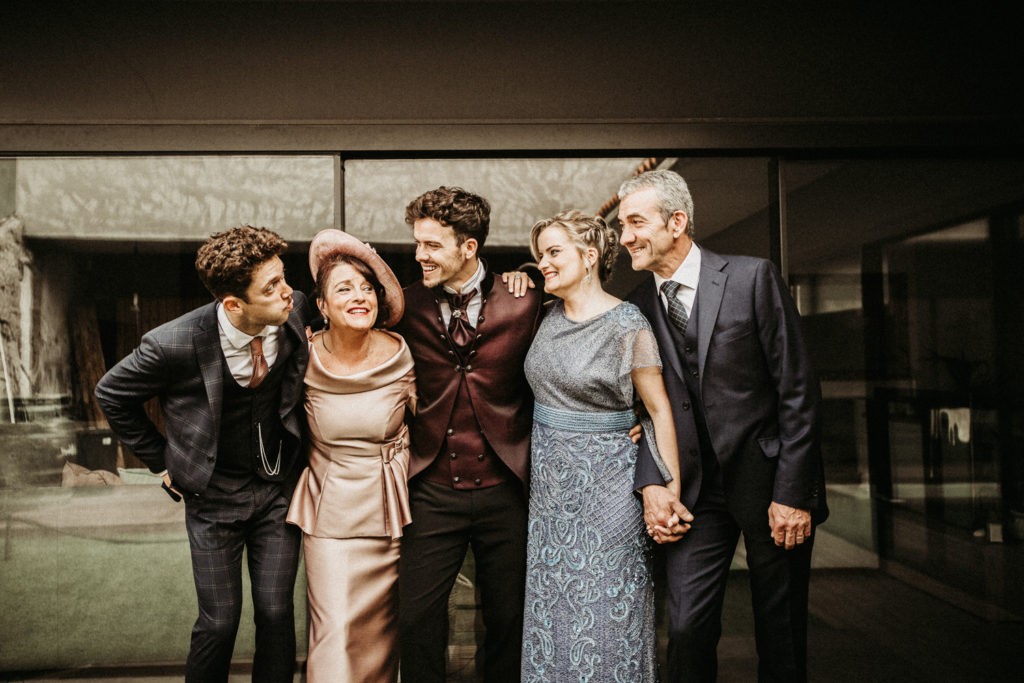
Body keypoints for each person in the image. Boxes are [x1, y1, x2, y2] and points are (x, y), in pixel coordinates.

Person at [619, 169, 828, 682]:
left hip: (770, 485)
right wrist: (654, 483)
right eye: (622, 225)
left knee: (780, 633)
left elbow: (797, 391)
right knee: (687, 630)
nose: (625, 237)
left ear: (677, 221)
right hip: (694, 494)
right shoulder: (636, 309)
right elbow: (640, 414)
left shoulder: (752, 278)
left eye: (636, 223)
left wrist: (793, 493)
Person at [94, 225, 308, 683]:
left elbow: (366, 307)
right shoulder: (172, 343)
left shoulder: (295, 312)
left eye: (283, 277)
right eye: (271, 286)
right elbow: (111, 393)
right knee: (219, 621)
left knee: (275, 613)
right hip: (212, 500)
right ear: (233, 304)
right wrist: (163, 461)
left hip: (276, 492)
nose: (288, 292)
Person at [520, 210, 681, 682]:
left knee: (610, 613)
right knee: (554, 618)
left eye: (553, 252)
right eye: (539, 255)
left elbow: (660, 410)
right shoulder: (545, 317)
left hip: (608, 494)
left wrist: (667, 490)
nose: (543, 264)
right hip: (550, 499)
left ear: (589, 256)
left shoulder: (627, 323)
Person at [394, 186, 542, 683]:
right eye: (418, 243)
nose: (420, 255)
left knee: (507, 620)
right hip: (432, 487)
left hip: (507, 488)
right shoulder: (403, 304)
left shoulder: (526, 300)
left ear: (469, 247)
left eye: (432, 245)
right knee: (416, 620)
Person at [286, 229, 416, 682]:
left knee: (384, 640)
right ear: (321, 306)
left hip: (391, 516)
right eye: (344, 289)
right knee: (336, 634)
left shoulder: (405, 357)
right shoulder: (300, 355)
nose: (359, 297)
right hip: (330, 518)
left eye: (366, 289)